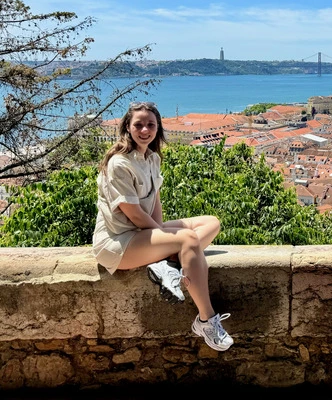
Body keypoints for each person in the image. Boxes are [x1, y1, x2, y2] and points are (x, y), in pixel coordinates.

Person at [92, 101, 233, 351]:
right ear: (127, 127)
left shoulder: (152, 158)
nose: (145, 130)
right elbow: (134, 215)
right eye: (138, 125)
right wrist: (168, 239)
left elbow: (155, 202)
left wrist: (163, 238)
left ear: (158, 128)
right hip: (118, 242)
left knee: (212, 223)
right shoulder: (119, 164)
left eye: (151, 125)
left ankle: (169, 265)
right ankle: (206, 320)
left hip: (143, 233)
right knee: (188, 239)